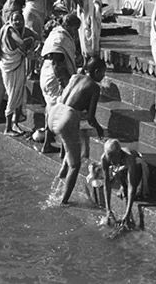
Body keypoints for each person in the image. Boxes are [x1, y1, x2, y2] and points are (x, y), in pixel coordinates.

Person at [49, 57, 106, 205]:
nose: (104, 77)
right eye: (103, 73)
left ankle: (61, 177)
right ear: (97, 71)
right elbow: (91, 118)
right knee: (76, 165)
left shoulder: (75, 76)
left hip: (54, 112)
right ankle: (63, 202)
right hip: (67, 118)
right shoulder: (95, 87)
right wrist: (99, 129)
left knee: (71, 149)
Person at [38, 13, 81, 152]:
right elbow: (57, 63)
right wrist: (65, 83)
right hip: (54, 76)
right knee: (60, 110)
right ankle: (63, 148)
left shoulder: (57, 33)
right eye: (75, 28)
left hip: (47, 73)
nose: (75, 32)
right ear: (68, 25)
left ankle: (48, 142)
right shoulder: (60, 37)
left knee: (51, 108)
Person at [0, 11, 39, 136]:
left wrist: (35, 39)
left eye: (20, 19)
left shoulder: (22, 30)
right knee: (13, 95)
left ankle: (15, 124)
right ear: (10, 21)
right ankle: (7, 128)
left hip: (18, 65)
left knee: (19, 93)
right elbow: (21, 42)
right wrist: (30, 40)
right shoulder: (9, 30)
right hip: (9, 66)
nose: (18, 22)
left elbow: (36, 37)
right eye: (15, 20)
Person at [101, 139, 150, 228]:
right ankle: (123, 186)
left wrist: (127, 214)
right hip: (122, 170)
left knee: (135, 190)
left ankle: (124, 187)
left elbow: (132, 187)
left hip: (138, 167)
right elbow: (106, 184)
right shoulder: (104, 158)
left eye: (113, 158)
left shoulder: (129, 157)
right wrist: (108, 210)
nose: (111, 162)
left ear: (119, 153)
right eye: (109, 159)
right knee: (117, 171)